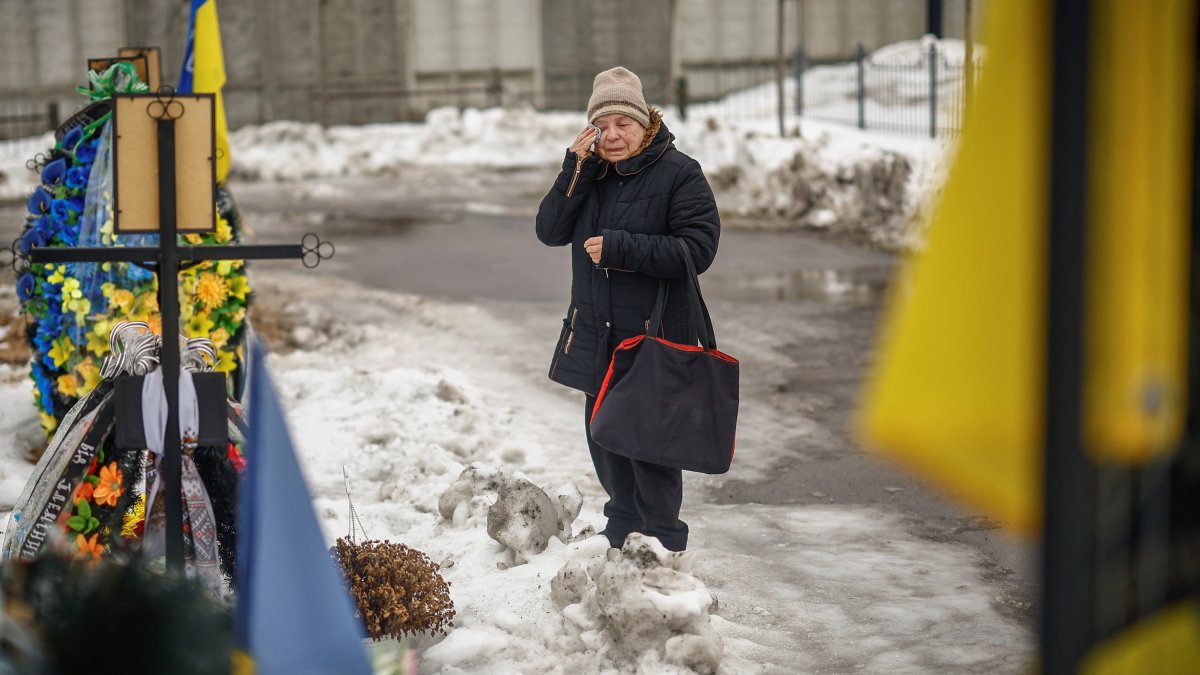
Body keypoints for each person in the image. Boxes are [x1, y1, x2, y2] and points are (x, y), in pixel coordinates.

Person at [535, 66, 721, 552]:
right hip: (597, 329)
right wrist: (573, 169)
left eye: (624, 123)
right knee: (604, 435)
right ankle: (620, 528)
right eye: (603, 125)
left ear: (646, 124)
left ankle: (662, 541)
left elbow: (696, 251)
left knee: (650, 443)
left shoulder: (680, 173)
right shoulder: (590, 174)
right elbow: (550, 231)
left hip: (652, 333)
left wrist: (622, 248)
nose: (613, 135)